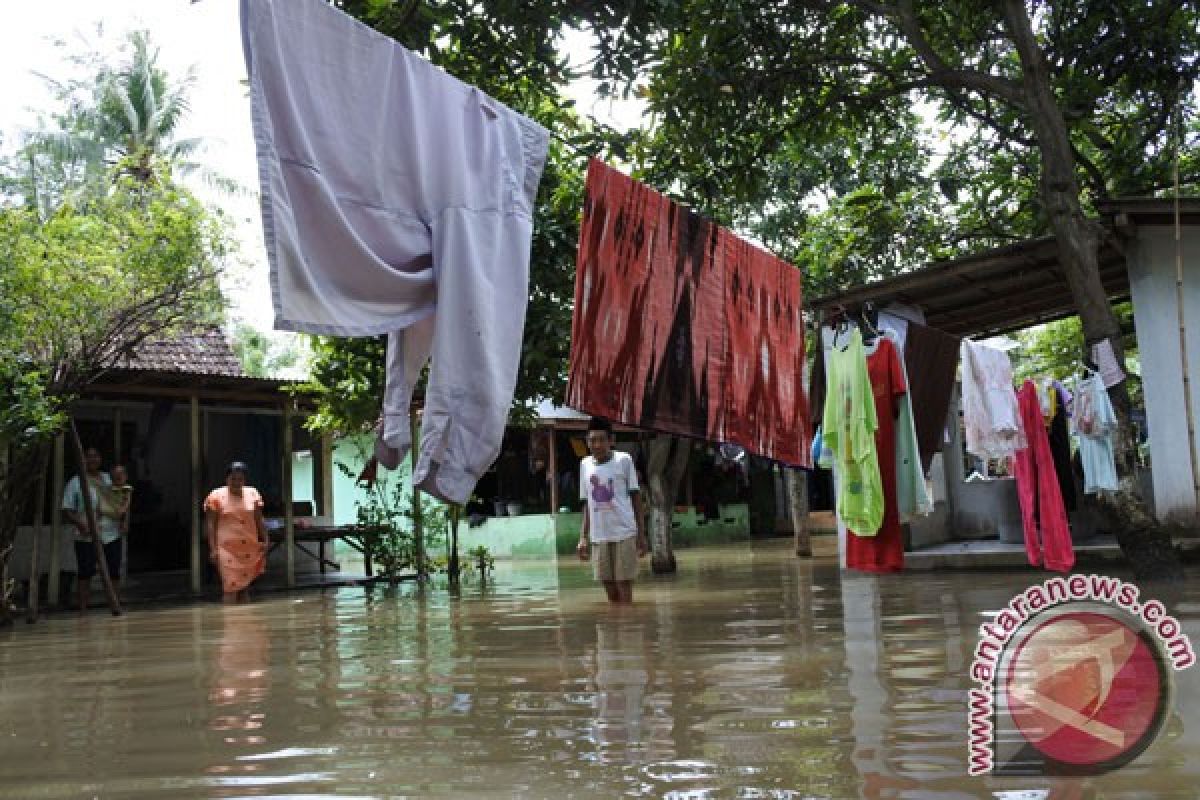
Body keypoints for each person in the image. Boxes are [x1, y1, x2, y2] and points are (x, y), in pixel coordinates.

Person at [576, 417, 647, 604]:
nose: (596, 445)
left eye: (601, 440)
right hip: (599, 536)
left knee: (624, 586)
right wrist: (583, 537)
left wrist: (641, 534)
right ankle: (614, 629)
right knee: (608, 586)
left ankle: (627, 629)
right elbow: (587, 504)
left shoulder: (624, 460)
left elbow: (635, 497)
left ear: (611, 440)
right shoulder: (585, 465)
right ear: (587, 441)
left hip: (624, 532)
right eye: (592, 440)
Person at [62, 447, 122, 612]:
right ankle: (83, 609)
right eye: (88, 457)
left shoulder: (108, 479)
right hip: (85, 535)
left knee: (113, 571)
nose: (92, 460)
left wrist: (123, 518)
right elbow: (67, 510)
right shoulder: (75, 482)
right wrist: (81, 524)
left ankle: (115, 605)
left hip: (110, 533)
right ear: (83, 460)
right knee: (85, 572)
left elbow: (120, 500)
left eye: (95, 456)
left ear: (100, 459)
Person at [204, 462, 269, 604]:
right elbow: (210, 524)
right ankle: (230, 622)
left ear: (244, 480)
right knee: (230, 588)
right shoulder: (215, 496)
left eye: (240, 479)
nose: (236, 482)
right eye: (233, 479)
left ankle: (245, 623)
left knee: (244, 588)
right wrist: (213, 549)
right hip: (226, 548)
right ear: (226, 479)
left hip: (248, 546)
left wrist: (265, 539)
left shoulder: (252, 493)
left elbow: (259, 519)